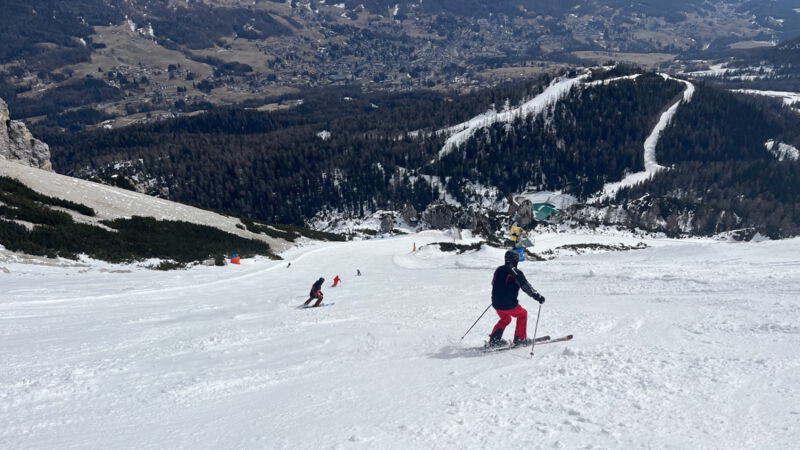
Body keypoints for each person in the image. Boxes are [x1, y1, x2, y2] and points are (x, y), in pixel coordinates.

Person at [488, 250, 545, 347]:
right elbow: (526, 287)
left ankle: (494, 340)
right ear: (515, 260)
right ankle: (520, 339)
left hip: (496, 303)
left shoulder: (499, 269)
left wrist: (499, 295)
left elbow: (493, 283)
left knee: (506, 319)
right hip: (508, 304)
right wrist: (537, 297)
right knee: (523, 314)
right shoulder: (516, 272)